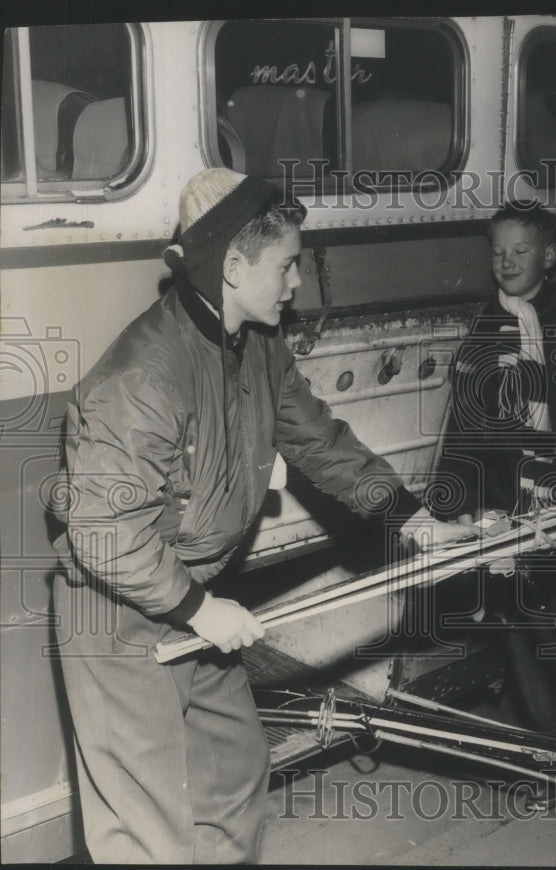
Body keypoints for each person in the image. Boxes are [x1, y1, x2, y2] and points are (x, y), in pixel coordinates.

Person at [50, 168, 474, 863]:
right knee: (148, 821)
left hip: (194, 593)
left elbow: (318, 441)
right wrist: (196, 608)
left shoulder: (258, 346)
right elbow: (103, 533)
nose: (296, 283)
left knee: (233, 768)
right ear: (233, 265)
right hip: (117, 611)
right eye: (286, 265)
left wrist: (410, 519)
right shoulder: (143, 377)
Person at [434, 202, 556, 821]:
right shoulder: (486, 325)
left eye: (520, 251)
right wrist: (454, 507)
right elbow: (463, 427)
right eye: (497, 251)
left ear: (549, 255)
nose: (507, 263)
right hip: (503, 513)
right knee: (522, 643)